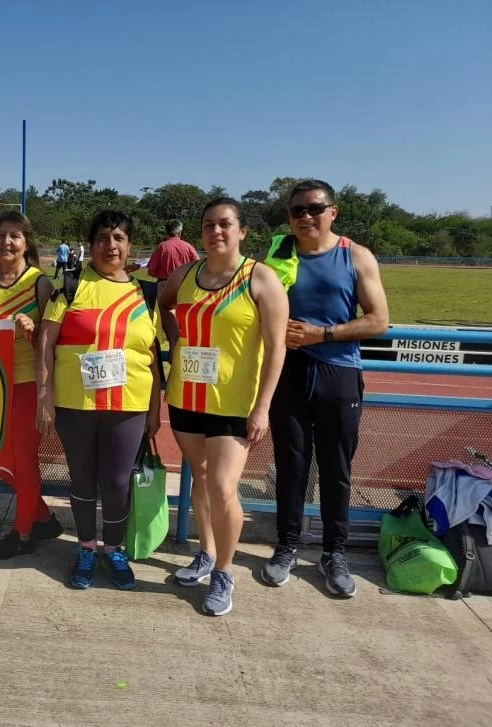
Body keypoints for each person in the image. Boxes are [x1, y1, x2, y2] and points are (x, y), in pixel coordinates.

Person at [260, 180, 390, 598]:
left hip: (337, 371)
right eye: (296, 211)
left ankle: (334, 552)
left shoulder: (356, 256)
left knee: (336, 469)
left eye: (314, 209)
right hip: (288, 372)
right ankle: (287, 545)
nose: (305, 217)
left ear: (333, 211)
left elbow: (379, 320)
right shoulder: (278, 253)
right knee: (291, 466)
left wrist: (323, 334)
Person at [159, 198, 288, 616]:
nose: (216, 232)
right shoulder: (186, 274)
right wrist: (177, 340)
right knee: (198, 476)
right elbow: (163, 304)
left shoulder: (261, 279)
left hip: (234, 403)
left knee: (222, 486)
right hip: (186, 397)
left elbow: (276, 348)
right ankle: (207, 553)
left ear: (242, 231)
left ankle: (225, 572)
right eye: (209, 225)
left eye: (225, 225)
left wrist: (263, 407)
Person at [37, 210, 162, 591]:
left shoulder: (146, 293)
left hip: (128, 406)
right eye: (104, 238)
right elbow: (46, 343)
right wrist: (46, 395)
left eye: (119, 238)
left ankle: (114, 549)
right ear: (91, 245)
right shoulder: (72, 287)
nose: (111, 245)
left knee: (117, 482)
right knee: (83, 480)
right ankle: (87, 548)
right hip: (77, 405)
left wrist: (155, 410)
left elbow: (154, 356)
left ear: (129, 245)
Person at [0, 211, 63, 559]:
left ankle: (23, 533)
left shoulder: (40, 284)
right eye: (1, 235)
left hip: (25, 383)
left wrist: (32, 331)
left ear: (26, 243)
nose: (7, 242)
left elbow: (56, 343)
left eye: (15, 236)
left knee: (22, 461)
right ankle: (44, 518)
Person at [143, 219, 199, 309]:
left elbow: (151, 272)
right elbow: (198, 267)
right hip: (184, 285)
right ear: (180, 232)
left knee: (164, 315)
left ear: (166, 231)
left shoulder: (161, 247)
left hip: (164, 285)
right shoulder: (188, 247)